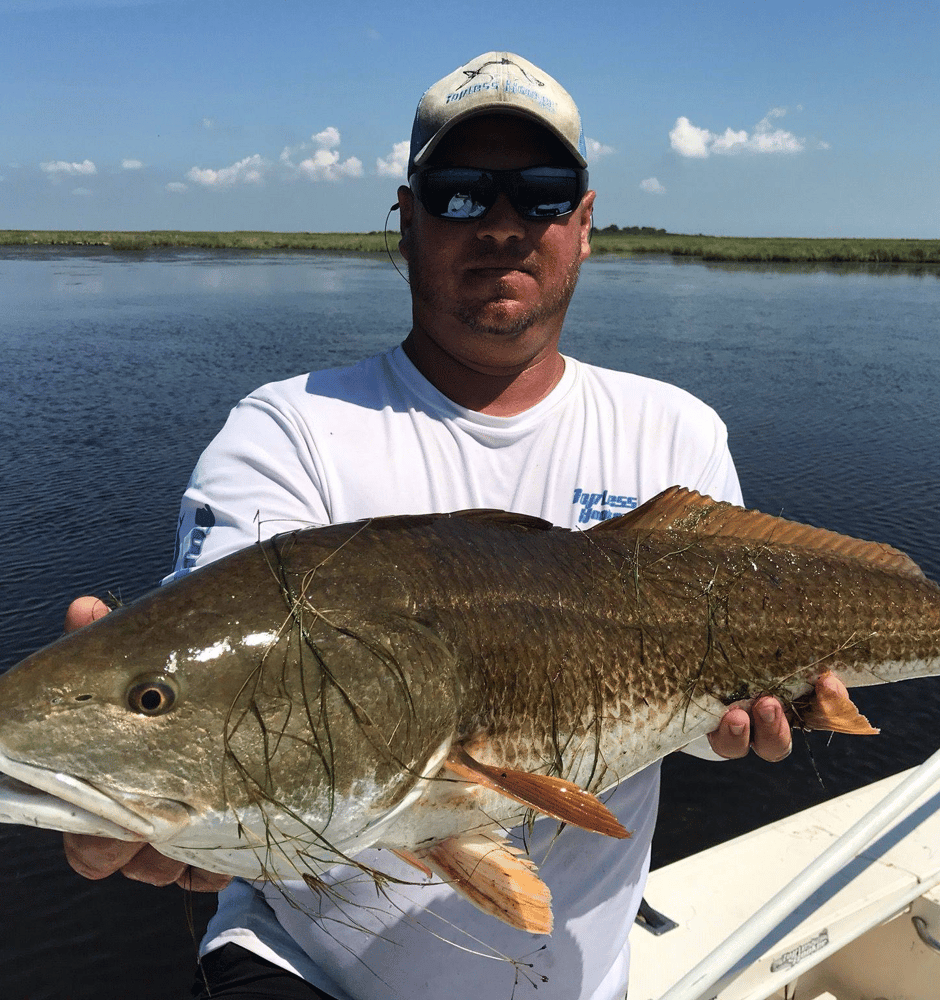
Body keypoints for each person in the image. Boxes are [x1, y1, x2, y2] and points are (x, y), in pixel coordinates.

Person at [64, 52, 802, 1000]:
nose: (501, 223)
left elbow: (693, 716)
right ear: (406, 220)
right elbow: (248, 669)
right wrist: (161, 747)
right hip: (306, 967)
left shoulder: (676, 434)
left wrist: (727, 726)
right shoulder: (290, 434)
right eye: (459, 194)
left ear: (584, 225)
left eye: (540, 193)